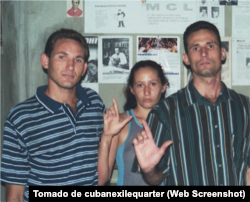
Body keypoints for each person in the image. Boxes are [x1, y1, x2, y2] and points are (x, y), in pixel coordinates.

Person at [132, 21, 250, 186]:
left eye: (210, 46)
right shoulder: (164, 112)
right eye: (195, 48)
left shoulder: (245, 107)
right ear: (186, 59)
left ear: (223, 53)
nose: (203, 53)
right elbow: (155, 179)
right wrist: (149, 169)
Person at [0, 28, 106, 202]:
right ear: (45, 61)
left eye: (77, 60)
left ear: (84, 68)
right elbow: (16, 194)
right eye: (62, 57)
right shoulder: (21, 117)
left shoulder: (94, 103)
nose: (70, 66)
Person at [98, 60, 168, 185]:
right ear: (132, 89)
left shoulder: (174, 121)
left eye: (152, 84)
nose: (146, 91)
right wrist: (106, 137)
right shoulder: (120, 122)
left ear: (163, 87)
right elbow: (102, 179)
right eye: (140, 85)